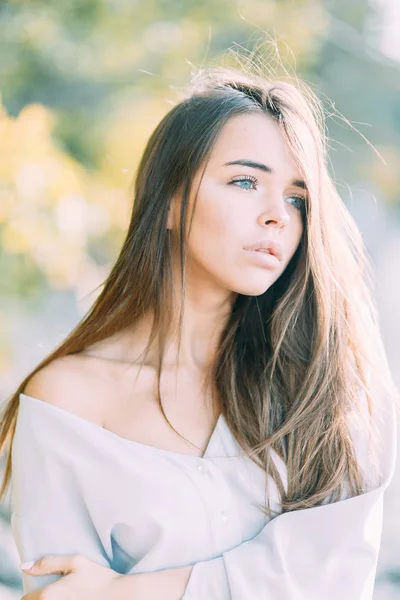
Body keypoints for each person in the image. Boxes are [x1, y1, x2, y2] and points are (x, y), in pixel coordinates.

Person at [0, 60, 398, 600]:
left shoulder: (323, 389)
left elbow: (334, 576)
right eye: (245, 181)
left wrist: (131, 591)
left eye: (297, 198)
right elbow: (58, 593)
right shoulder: (67, 400)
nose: (278, 215)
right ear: (168, 200)